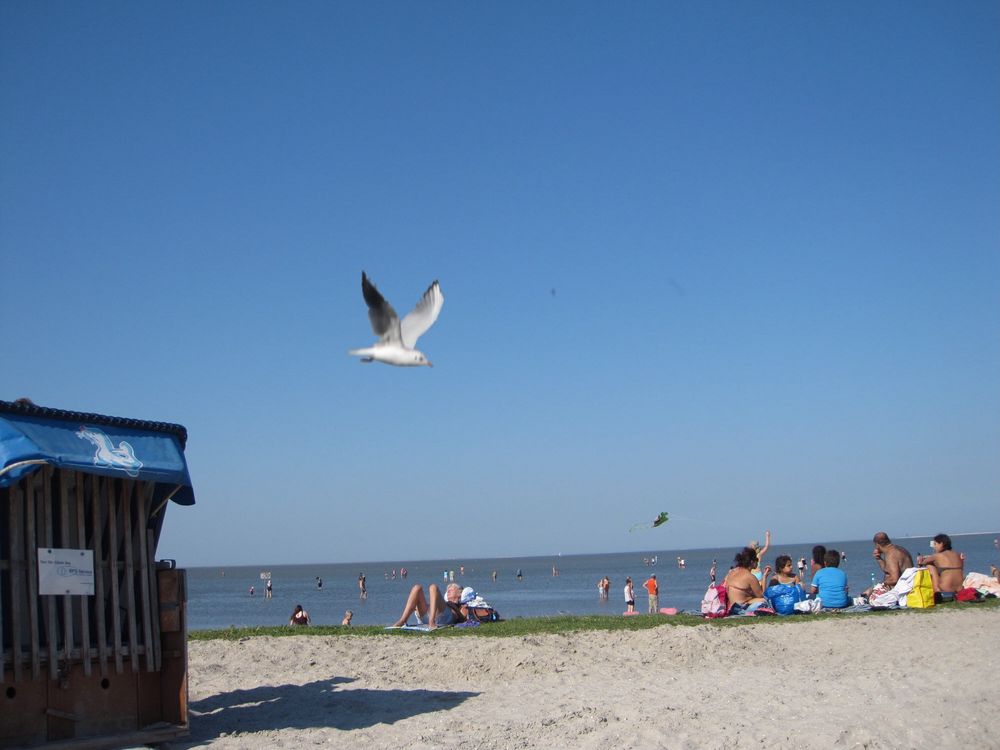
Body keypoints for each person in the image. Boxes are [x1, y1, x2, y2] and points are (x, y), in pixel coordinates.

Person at [392, 582, 466, 630]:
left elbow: (464, 620)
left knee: (433, 587)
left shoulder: (462, 605)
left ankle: (431, 622)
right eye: (448, 590)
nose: (448, 591)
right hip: (430, 615)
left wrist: (455, 609)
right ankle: (402, 620)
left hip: (446, 617)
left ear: (460, 593)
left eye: (451, 589)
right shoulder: (445, 602)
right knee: (417, 588)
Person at [866, 531, 914, 597]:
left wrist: (879, 584)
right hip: (909, 585)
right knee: (869, 591)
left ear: (877, 544)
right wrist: (878, 558)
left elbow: (894, 579)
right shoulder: (898, 549)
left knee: (869, 594)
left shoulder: (891, 555)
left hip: (903, 591)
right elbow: (888, 570)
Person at [916, 533, 964, 599]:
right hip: (959, 589)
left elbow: (921, 563)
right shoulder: (957, 554)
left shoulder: (936, 556)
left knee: (929, 565)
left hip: (945, 590)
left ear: (941, 544)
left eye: (935, 544)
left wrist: (920, 560)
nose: (934, 547)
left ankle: (935, 590)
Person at [723, 547, 768, 612]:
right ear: (752, 562)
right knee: (765, 601)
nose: (757, 562)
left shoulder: (732, 572)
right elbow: (761, 595)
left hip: (730, 607)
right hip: (740, 608)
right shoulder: (750, 577)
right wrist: (764, 577)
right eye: (756, 559)